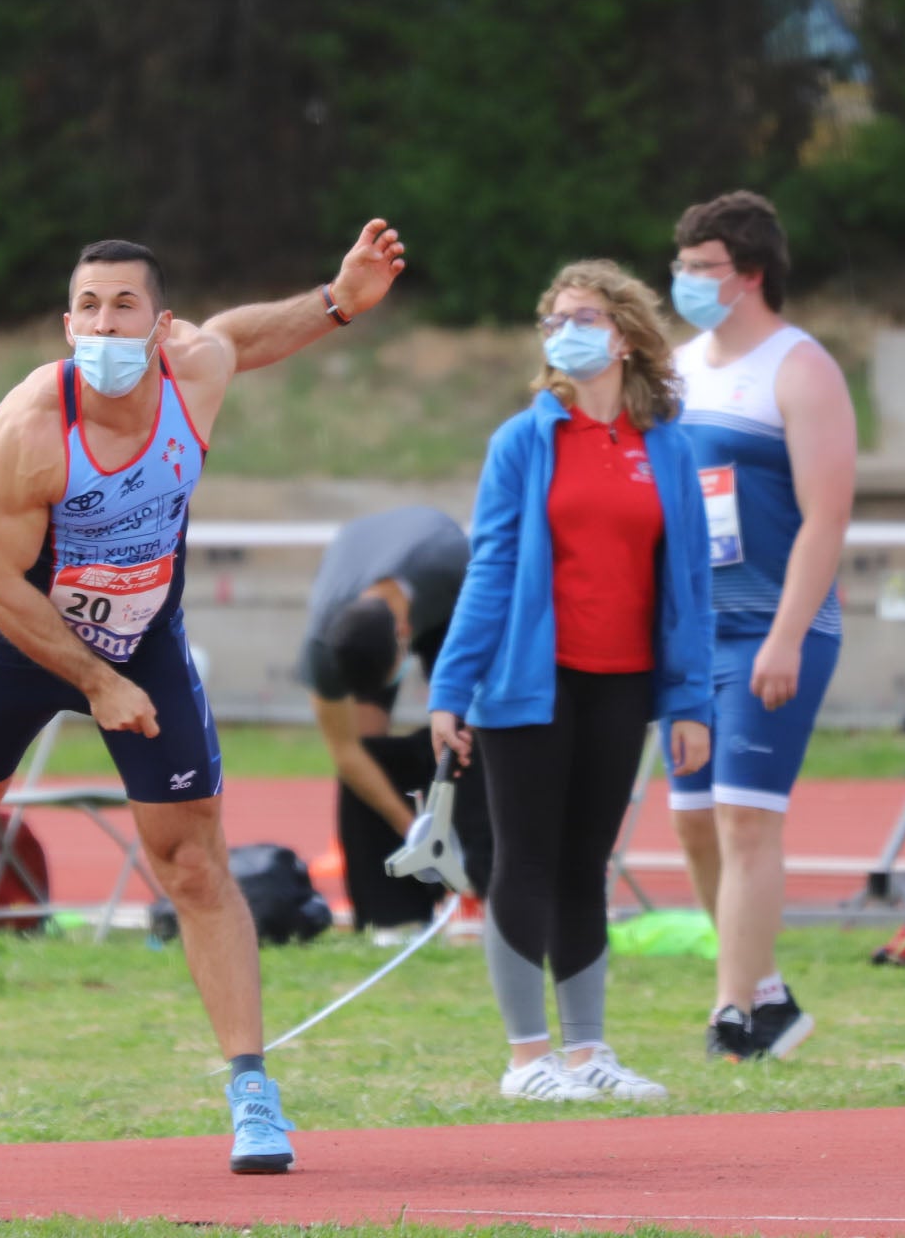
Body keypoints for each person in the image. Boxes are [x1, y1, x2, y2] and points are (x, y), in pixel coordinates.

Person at [0, 221, 407, 1175]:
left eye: (126, 306)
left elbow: (248, 334)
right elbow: (1, 578)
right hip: (23, 623)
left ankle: (252, 1091)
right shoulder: (28, 432)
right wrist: (92, 681)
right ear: (68, 325)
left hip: (144, 637)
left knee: (191, 862)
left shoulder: (196, 371)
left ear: (161, 323)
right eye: (91, 308)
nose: (108, 326)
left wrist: (339, 300)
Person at [427, 260, 713, 1105]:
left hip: (621, 683)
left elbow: (691, 582)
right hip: (528, 682)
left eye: (581, 317)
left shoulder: (669, 445)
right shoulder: (524, 439)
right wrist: (451, 689)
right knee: (524, 857)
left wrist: (689, 699)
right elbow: (489, 569)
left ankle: (588, 1054)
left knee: (587, 862)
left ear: (622, 335)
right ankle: (527, 1060)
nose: (563, 332)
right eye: (552, 320)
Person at [666, 190, 856, 1060]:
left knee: (747, 819)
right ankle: (771, 994)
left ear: (749, 275)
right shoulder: (676, 369)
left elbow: (826, 516)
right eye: (681, 266)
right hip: (695, 633)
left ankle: (733, 1014)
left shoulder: (800, 367)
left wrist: (787, 634)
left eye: (702, 268)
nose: (685, 282)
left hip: (774, 627)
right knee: (693, 820)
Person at [298, 506, 489, 933]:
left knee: (471, 731)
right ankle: (391, 912)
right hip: (364, 576)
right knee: (370, 750)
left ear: (405, 632)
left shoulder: (454, 564)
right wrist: (416, 833)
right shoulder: (321, 645)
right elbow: (346, 752)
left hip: (451, 599)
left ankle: (480, 886)